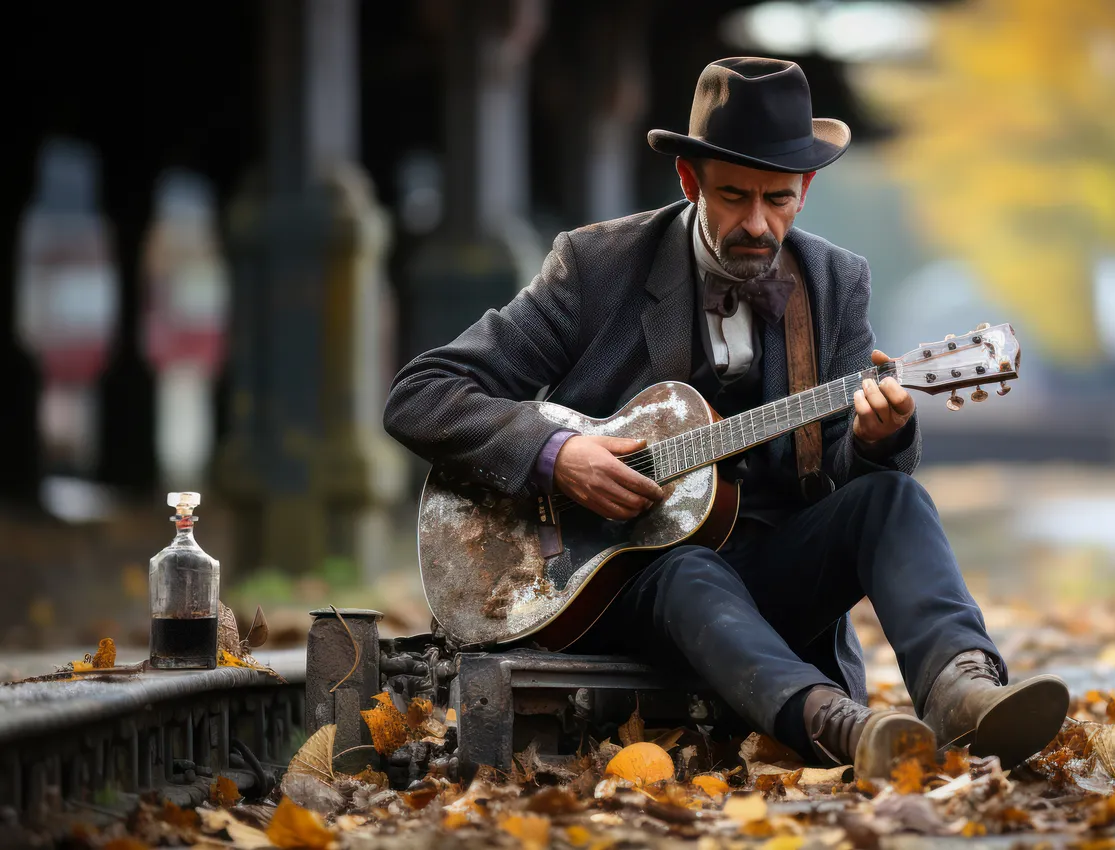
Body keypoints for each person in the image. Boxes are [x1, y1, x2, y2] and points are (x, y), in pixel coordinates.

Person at [384, 57, 1070, 778]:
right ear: (690, 182)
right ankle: (837, 728)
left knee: (894, 497)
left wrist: (878, 439)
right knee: (687, 569)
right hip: (620, 582)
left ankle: (963, 692)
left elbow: (839, 478)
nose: (755, 222)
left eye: (777, 199)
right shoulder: (596, 266)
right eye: (733, 197)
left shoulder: (835, 283)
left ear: (805, 190)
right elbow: (424, 393)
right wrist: (557, 455)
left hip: (773, 579)